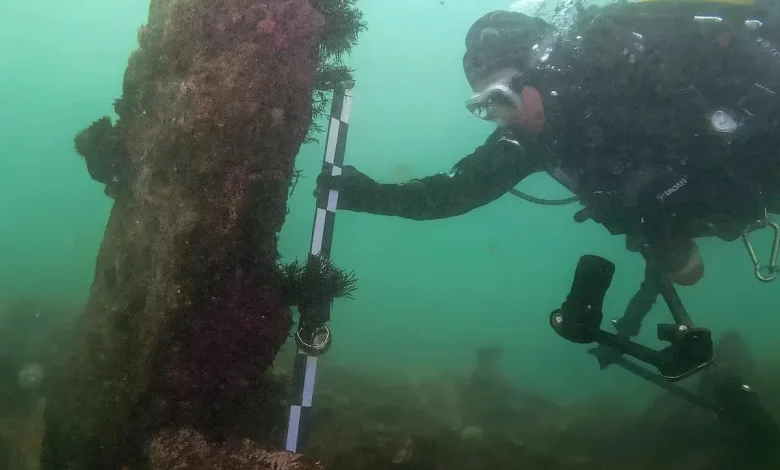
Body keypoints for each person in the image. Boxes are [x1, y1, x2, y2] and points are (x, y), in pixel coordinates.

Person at [315, 0, 780, 337]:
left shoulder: (629, 55)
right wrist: (369, 195)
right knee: (685, 269)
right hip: (734, 203)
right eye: (484, 107)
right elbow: (457, 192)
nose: (501, 116)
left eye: (500, 98)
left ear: (536, 67)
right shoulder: (534, 141)